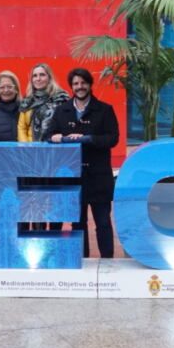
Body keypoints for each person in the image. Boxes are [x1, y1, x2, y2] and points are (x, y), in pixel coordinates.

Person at [47, 68, 120, 259]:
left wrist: (87, 138)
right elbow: (49, 136)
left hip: (99, 176)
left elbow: (113, 139)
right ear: (71, 86)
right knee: (77, 224)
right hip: (72, 178)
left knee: (103, 222)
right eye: (76, 84)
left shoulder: (105, 110)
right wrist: (60, 138)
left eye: (83, 83)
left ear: (89, 84)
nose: (80, 87)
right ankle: (83, 261)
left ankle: (107, 262)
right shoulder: (61, 111)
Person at [18, 63, 70, 232]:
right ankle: (37, 233)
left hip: (56, 156)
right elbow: (22, 128)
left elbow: (67, 125)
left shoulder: (61, 99)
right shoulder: (27, 102)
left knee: (55, 197)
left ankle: (54, 234)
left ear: (49, 77)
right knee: (35, 197)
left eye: (42, 75)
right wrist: (30, 148)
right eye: (35, 76)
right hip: (32, 158)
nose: (38, 79)